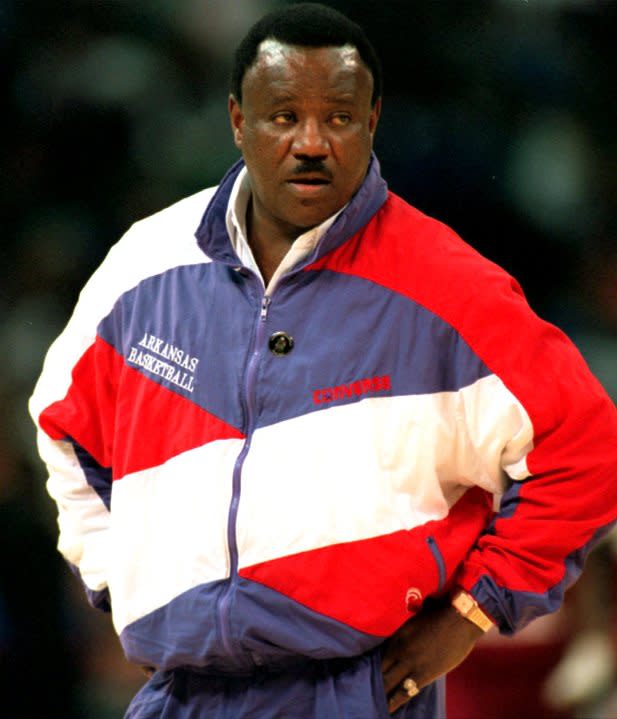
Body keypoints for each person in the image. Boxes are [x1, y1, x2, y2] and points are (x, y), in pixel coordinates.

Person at [29, 3, 617, 718]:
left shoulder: (450, 286)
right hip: (176, 691)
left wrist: (472, 610)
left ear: (371, 122)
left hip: (354, 690)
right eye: (282, 117)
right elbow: (62, 422)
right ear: (237, 120)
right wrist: (118, 574)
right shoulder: (147, 262)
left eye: (337, 118)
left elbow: (588, 449)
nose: (311, 142)